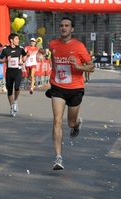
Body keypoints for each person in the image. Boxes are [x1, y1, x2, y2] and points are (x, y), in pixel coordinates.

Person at [46, 17, 94, 170]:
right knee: (57, 120)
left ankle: (77, 122)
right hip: (58, 87)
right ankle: (58, 158)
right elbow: (53, 62)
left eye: (67, 26)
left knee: (70, 123)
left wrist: (79, 66)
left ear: (72, 29)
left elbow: (91, 66)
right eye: (61, 25)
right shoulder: (53, 44)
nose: (63, 28)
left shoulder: (79, 46)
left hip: (75, 88)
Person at [0, 33, 27, 117]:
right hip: (9, 71)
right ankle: (11, 106)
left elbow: (25, 56)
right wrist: (6, 60)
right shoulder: (5, 49)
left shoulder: (20, 49)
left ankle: (15, 101)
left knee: (17, 87)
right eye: (16, 39)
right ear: (11, 40)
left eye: (18, 39)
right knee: (10, 90)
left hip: (18, 71)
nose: (18, 40)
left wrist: (23, 61)